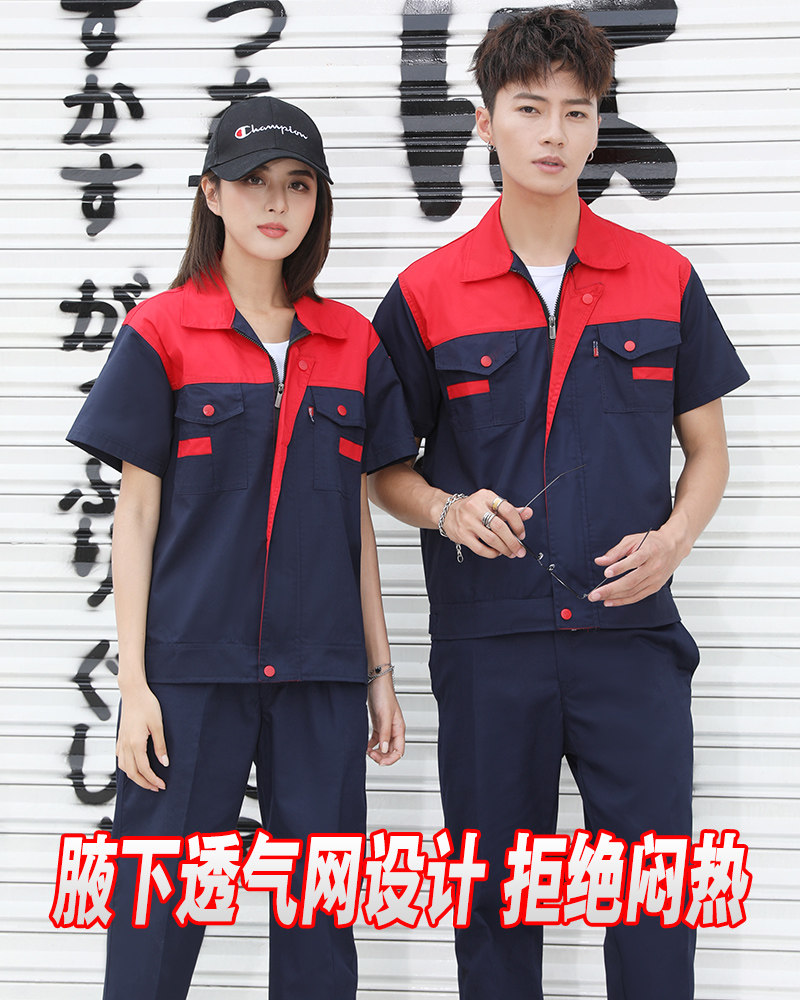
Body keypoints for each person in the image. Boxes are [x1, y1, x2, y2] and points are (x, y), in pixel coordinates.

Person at [369, 9, 749, 1000]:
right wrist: (447, 510)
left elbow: (708, 451)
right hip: (488, 648)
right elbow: (383, 469)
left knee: (655, 901)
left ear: (596, 123)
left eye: (575, 112)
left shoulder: (662, 278)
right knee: (493, 910)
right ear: (485, 121)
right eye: (528, 108)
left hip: (632, 638)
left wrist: (675, 539)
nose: (553, 134)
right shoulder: (425, 293)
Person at [67, 95, 417, 1000]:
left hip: (321, 678)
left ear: (318, 202)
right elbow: (135, 519)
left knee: (320, 934)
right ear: (212, 193)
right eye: (254, 180)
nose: (276, 202)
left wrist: (379, 673)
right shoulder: (161, 332)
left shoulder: (353, 343)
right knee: (152, 929)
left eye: (298, 184)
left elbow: (357, 522)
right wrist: (135, 687)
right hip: (189, 677)